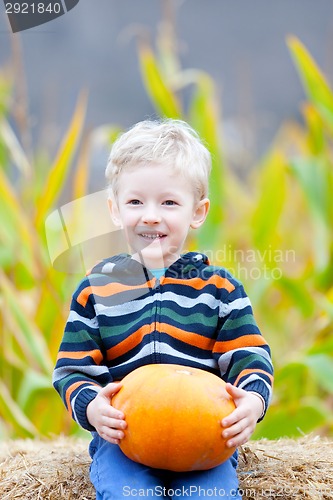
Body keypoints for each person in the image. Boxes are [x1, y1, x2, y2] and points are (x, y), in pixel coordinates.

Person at [53, 119, 274, 499]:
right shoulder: (96, 288)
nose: (151, 215)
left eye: (169, 202)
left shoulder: (220, 289)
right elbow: (72, 368)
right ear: (115, 209)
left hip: (204, 440)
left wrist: (253, 399)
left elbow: (249, 356)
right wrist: (91, 407)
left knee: (211, 496)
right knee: (129, 494)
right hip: (124, 438)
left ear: (198, 212)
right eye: (136, 201)